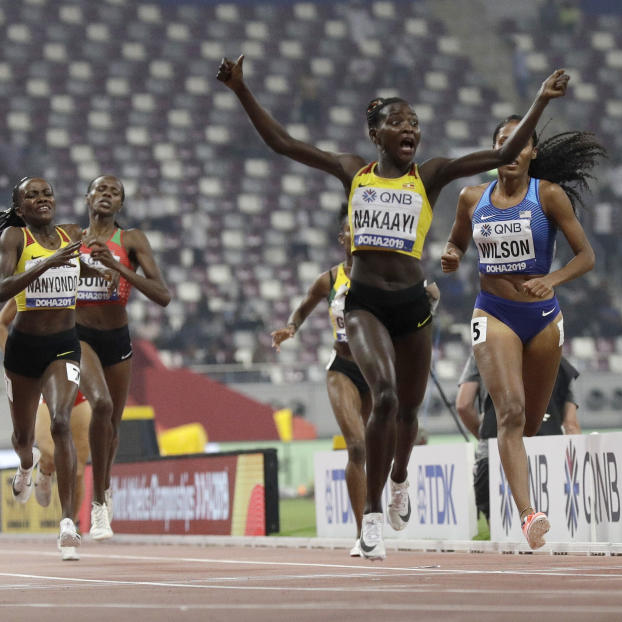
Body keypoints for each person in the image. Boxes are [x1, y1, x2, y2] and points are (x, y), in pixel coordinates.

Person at [217, 54, 569, 560]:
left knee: (407, 409)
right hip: (364, 304)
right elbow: (283, 143)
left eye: (415, 124)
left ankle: (400, 477)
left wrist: (539, 100)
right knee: (382, 396)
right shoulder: (351, 172)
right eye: (398, 122)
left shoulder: (431, 175)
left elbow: (507, 151)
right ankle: (374, 515)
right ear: (375, 133)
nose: (410, 129)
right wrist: (241, 90)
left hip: (412, 305)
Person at [441, 117, 604, 549]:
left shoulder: (546, 196)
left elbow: (586, 255)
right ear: (494, 150)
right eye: (502, 143)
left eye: (520, 144)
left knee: (530, 423)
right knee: (509, 413)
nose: (511, 151)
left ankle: (521, 483)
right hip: (493, 312)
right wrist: (452, 254)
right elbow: (456, 242)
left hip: (544, 315)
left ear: (531, 152)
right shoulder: (472, 198)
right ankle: (528, 513)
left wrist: (553, 279)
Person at [0, 176, 108, 557]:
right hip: (23, 349)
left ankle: (67, 525)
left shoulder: (70, 234)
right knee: (24, 439)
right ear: (19, 207)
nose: (43, 198)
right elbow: (1, 289)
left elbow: (78, 270)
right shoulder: (15, 239)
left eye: (47, 193)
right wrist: (48, 263)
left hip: (62, 346)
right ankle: (26, 467)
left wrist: (99, 271)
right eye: (33, 195)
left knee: (61, 420)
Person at [270, 203, 373, 557]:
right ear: (342, 238)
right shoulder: (330, 279)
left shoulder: (385, 276)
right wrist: (291, 327)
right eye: (350, 230)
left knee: (376, 448)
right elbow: (305, 306)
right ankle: (364, 534)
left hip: (376, 372)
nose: (355, 235)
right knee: (356, 446)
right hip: (342, 367)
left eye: (362, 229)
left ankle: (384, 506)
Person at [77, 175, 171, 540]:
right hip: (78, 334)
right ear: (88, 198)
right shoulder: (71, 237)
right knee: (99, 404)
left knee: (112, 428)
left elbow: (162, 295)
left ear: (120, 205)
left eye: (114, 193)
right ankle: (98, 504)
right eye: (100, 189)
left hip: (116, 339)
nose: (106, 195)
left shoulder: (131, 240)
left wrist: (117, 267)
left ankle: (105, 489)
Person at [0, 297, 92, 561]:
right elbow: (0, 325)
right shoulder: (32, 276)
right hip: (38, 380)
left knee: (79, 467)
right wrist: (19, 365)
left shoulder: (81, 281)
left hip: (76, 383)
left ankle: (70, 525)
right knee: (41, 447)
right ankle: (42, 468)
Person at [457, 353, 581, 523]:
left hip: (495, 454)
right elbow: (571, 425)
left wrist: (491, 440)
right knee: (555, 535)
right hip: (551, 457)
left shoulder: (484, 349)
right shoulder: (557, 358)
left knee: (500, 541)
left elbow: (463, 405)